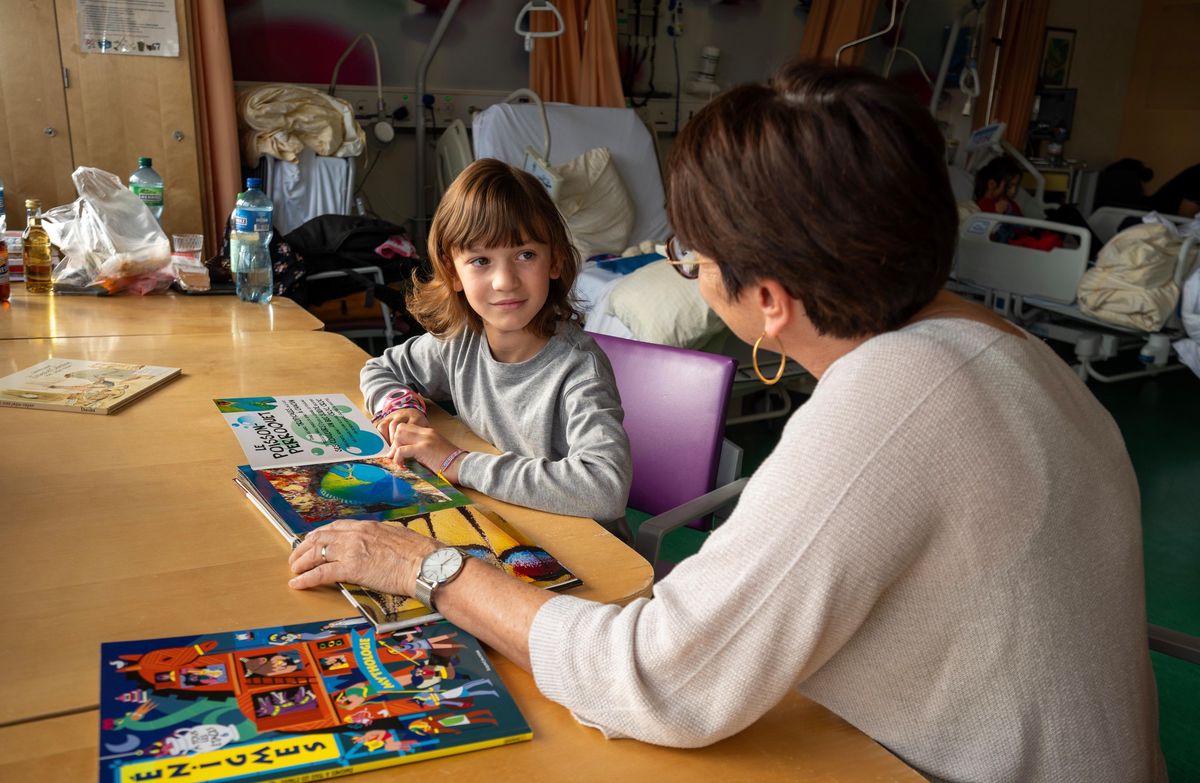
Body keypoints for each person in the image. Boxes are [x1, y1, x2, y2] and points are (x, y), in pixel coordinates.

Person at [289, 62, 1165, 781]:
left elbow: (658, 675)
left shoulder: (891, 402)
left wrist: (432, 565)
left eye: (690, 257)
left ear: (771, 302)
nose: (689, 271)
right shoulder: (1005, 345)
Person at [359, 158, 631, 528]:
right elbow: (381, 368)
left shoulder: (579, 369)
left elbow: (605, 489)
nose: (504, 281)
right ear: (452, 272)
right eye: (481, 260)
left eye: (525, 255)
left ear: (555, 261)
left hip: (584, 544)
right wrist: (400, 408)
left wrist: (457, 462)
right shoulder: (460, 341)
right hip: (501, 518)